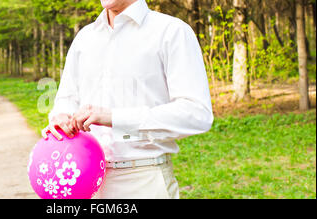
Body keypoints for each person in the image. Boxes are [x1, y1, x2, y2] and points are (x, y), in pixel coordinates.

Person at [41, 0, 214, 199]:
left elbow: (197, 113)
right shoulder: (84, 38)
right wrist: (61, 116)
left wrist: (115, 118)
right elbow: (67, 98)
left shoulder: (172, 32)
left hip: (144, 181)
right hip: (84, 182)